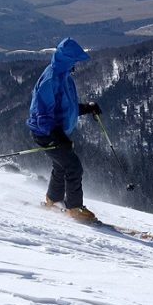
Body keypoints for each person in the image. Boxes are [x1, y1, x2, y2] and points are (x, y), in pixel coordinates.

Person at [27, 38, 102, 222]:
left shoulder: (63, 76)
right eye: (74, 60)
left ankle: (53, 200)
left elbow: (64, 106)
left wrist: (86, 108)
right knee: (73, 166)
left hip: (54, 131)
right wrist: (57, 136)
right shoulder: (51, 78)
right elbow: (42, 112)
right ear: (67, 60)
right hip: (45, 133)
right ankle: (74, 208)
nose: (76, 64)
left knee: (61, 165)